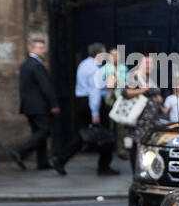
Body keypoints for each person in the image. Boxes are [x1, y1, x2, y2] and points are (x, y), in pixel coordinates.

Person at [54, 43, 116, 176]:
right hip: (91, 103)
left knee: (83, 134)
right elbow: (94, 91)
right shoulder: (94, 69)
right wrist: (95, 112)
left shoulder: (84, 64)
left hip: (82, 101)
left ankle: (61, 159)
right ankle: (104, 166)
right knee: (106, 135)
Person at [10, 38, 60, 170]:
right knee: (44, 131)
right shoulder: (36, 65)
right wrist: (53, 104)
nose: (44, 51)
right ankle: (21, 151)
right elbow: (45, 87)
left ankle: (42, 162)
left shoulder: (26, 64)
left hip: (29, 106)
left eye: (43, 47)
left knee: (38, 132)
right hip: (39, 106)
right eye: (40, 48)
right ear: (32, 49)